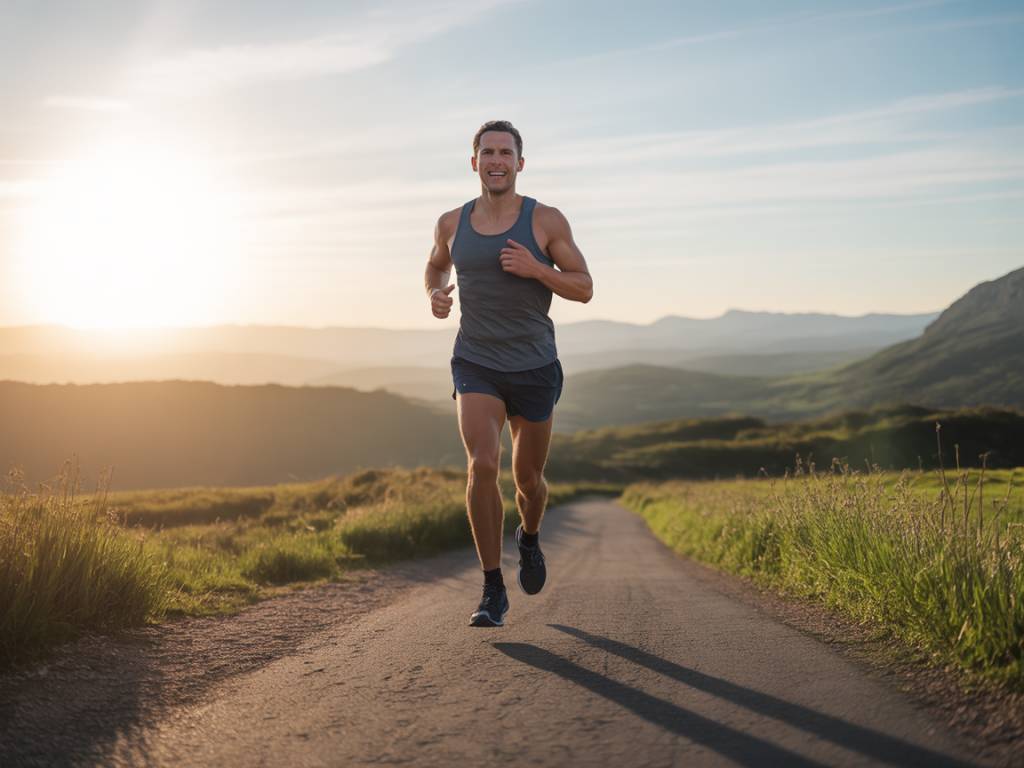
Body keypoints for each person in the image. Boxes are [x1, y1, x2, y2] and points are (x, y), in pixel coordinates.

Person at [423, 120, 593, 627]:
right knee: (482, 465)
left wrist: (538, 269)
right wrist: (433, 292)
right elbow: (435, 266)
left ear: (520, 163)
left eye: (506, 152)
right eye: (487, 152)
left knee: (529, 482)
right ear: (474, 162)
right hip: (475, 360)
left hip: (535, 365)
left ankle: (530, 538)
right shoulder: (452, 223)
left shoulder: (546, 221)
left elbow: (583, 287)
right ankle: (493, 587)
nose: (496, 160)